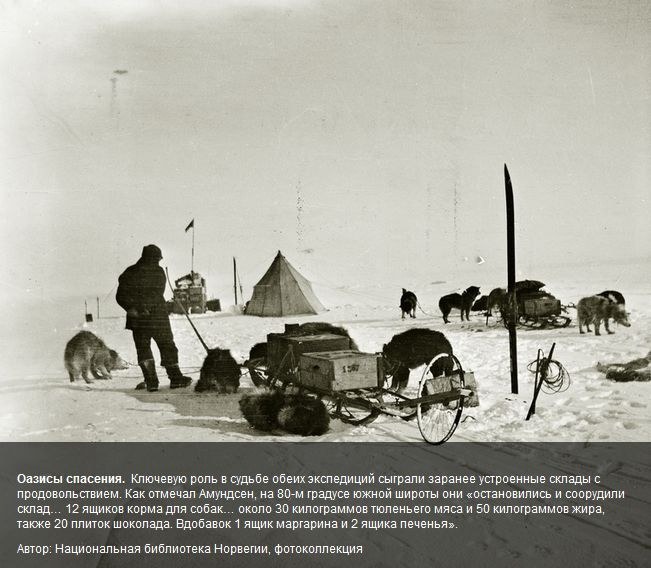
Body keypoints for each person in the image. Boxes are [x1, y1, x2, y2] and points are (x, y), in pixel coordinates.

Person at [116, 244, 192, 391]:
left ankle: (151, 383)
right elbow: (156, 294)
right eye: (158, 259)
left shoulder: (129, 272)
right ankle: (176, 379)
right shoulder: (157, 271)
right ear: (155, 258)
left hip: (137, 319)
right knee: (167, 345)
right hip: (157, 318)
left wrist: (132, 308)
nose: (158, 262)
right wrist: (144, 308)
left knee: (143, 348)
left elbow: (120, 296)